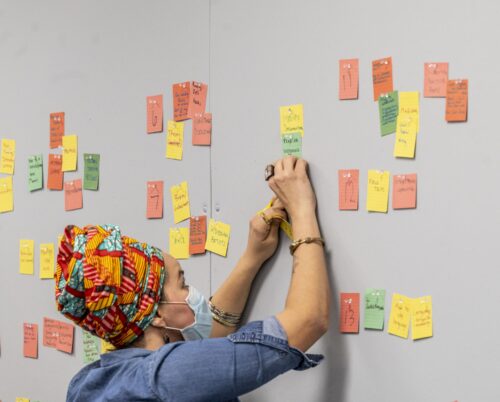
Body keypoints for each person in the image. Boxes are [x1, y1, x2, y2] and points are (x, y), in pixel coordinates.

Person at [56, 156, 330, 402]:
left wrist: (252, 257)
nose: (192, 292)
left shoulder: (90, 383)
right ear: (157, 316)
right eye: (182, 283)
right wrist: (302, 209)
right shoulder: (165, 378)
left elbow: (213, 335)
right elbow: (308, 320)